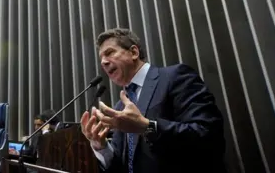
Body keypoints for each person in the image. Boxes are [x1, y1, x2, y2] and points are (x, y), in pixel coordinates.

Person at [81, 28, 226, 173]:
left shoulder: (174, 77)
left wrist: (147, 127)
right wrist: (101, 147)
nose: (103, 62)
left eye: (109, 53)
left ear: (134, 53)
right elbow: (123, 167)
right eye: (101, 58)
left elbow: (208, 134)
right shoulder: (119, 109)